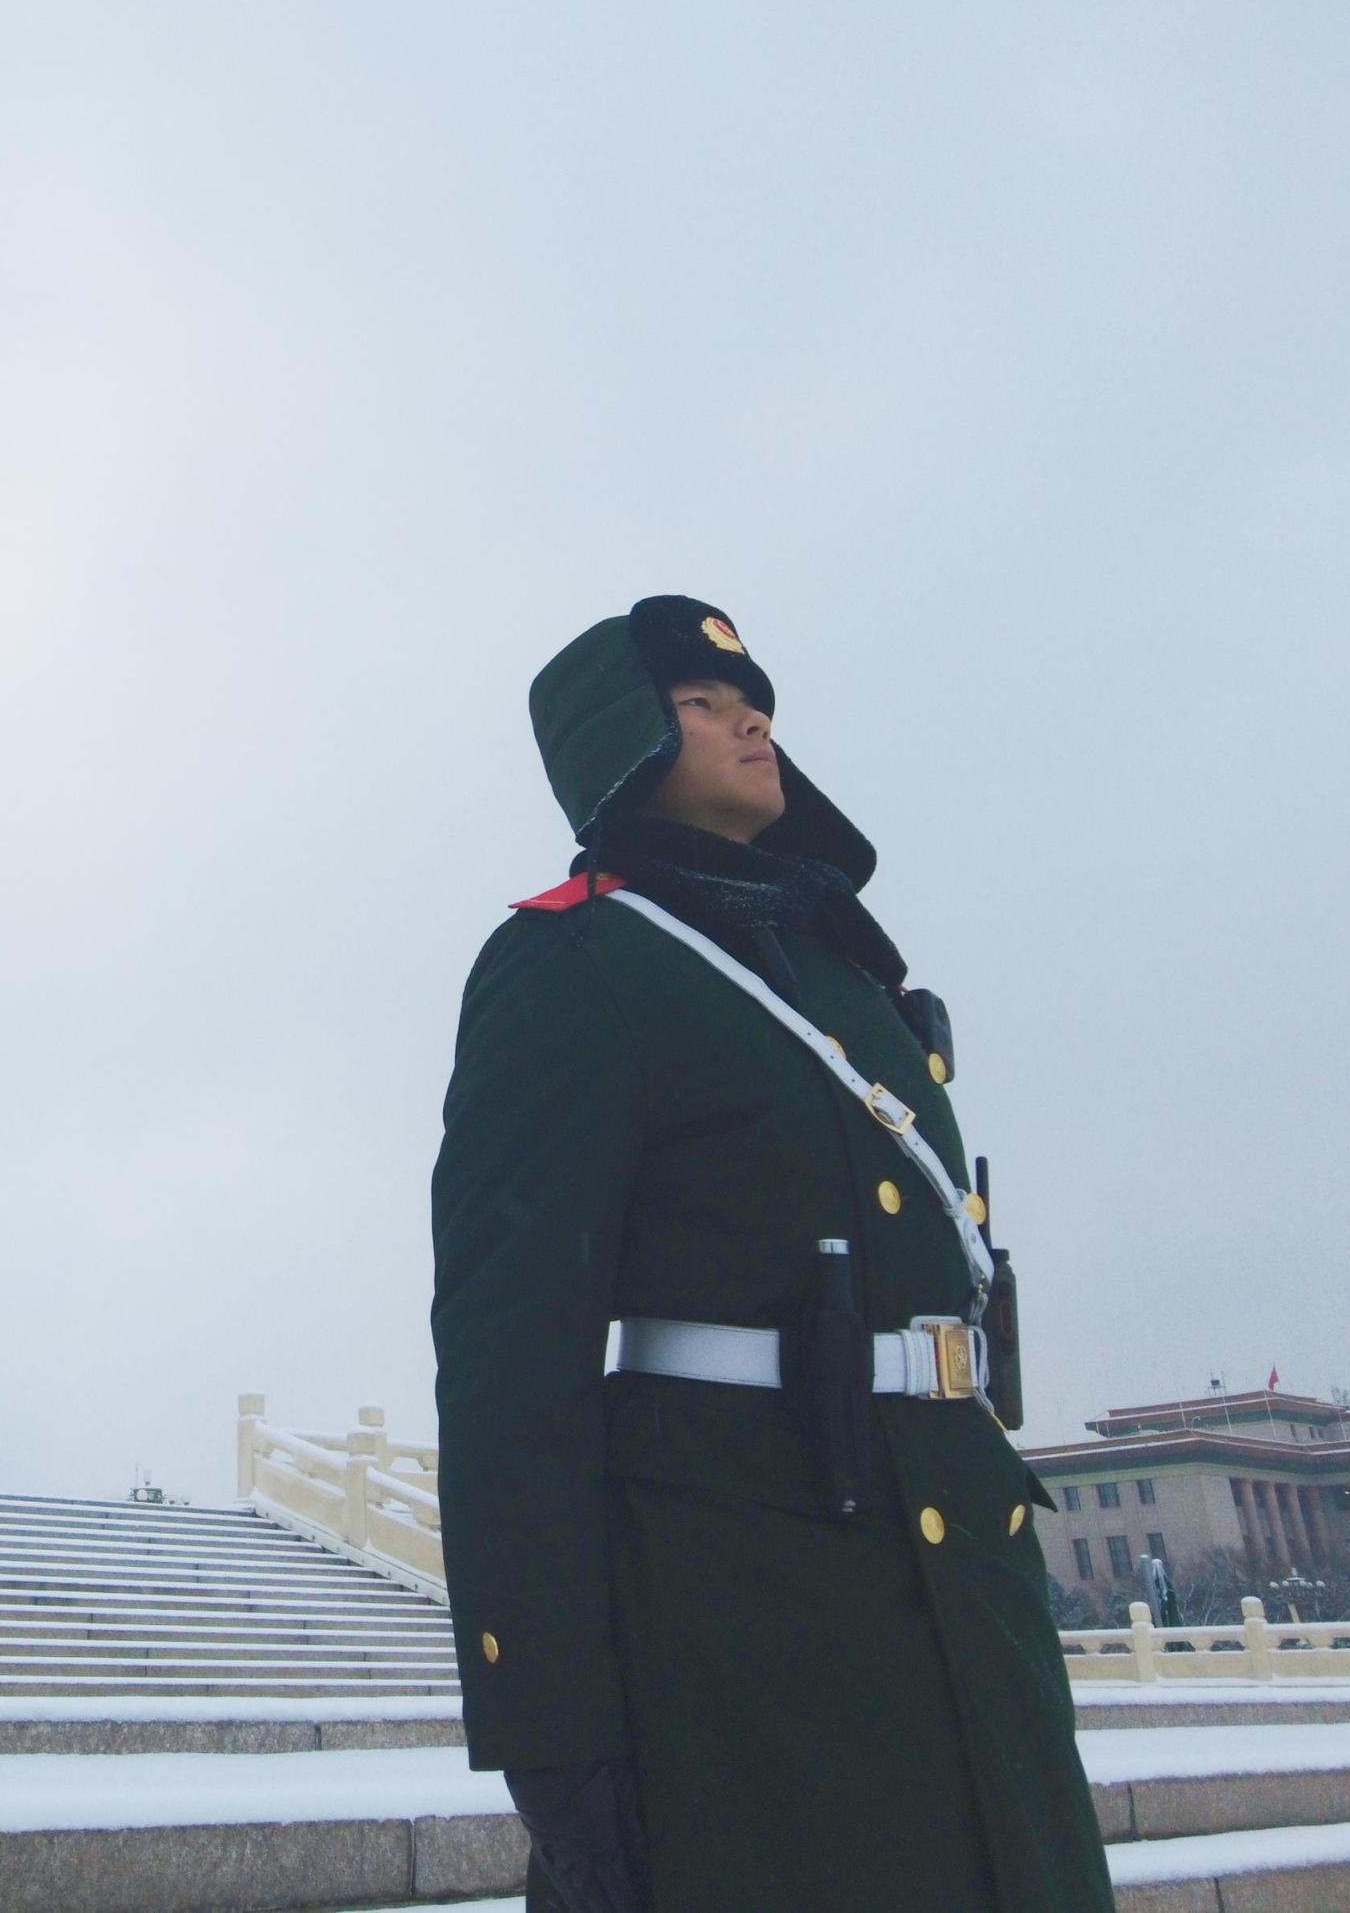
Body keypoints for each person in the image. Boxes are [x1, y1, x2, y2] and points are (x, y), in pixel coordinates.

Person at [430, 597, 1113, 1913]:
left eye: (754, 706)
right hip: (749, 1600)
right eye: (697, 703)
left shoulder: (849, 978)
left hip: (964, 1573)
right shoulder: (574, 963)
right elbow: (512, 1367)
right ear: (617, 742)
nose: (748, 719)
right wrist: (554, 1736)